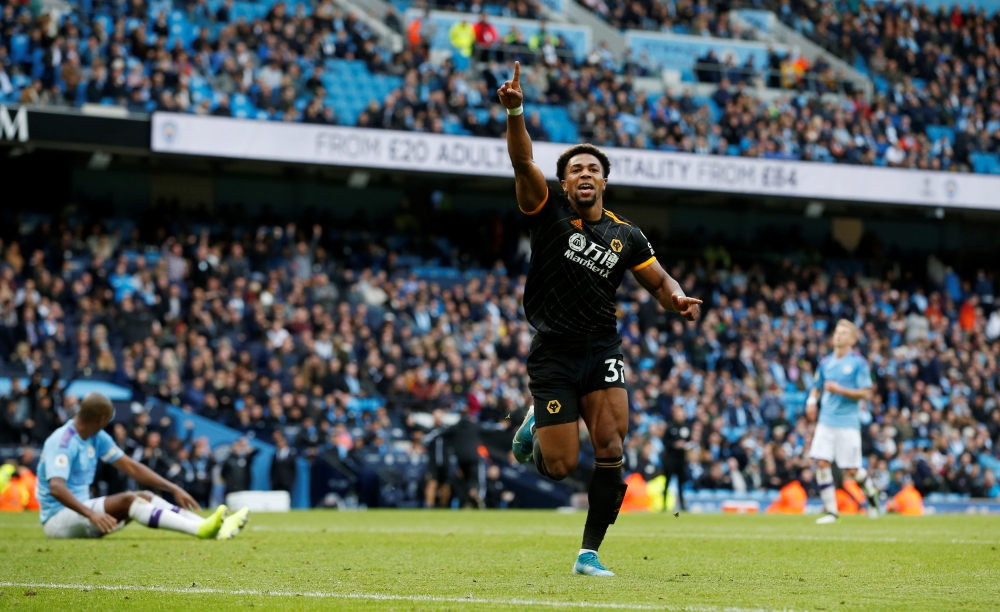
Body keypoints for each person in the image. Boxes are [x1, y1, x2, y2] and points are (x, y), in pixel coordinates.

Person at [498, 61, 702, 577]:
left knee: (612, 446)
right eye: (575, 170)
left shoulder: (627, 235)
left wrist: (677, 299)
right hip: (553, 351)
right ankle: (536, 424)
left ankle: (589, 553)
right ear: (564, 184)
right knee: (561, 464)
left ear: (604, 180)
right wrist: (517, 112)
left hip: (601, 350)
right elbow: (523, 163)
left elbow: (659, 281)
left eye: (592, 169)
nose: (584, 175)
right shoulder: (546, 210)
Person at [37, 392, 250, 540]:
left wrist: (172, 487)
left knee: (146, 496)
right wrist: (90, 513)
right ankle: (199, 530)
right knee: (131, 499)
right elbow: (56, 487)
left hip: (83, 512)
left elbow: (131, 467)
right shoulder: (62, 441)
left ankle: (215, 527)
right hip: (58, 520)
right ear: (101, 418)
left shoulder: (96, 436)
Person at [805, 320, 881, 524]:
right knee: (821, 461)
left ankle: (872, 493)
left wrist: (841, 390)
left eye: (843, 333)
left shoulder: (858, 363)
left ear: (853, 339)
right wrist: (812, 401)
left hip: (847, 423)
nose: (838, 336)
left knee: (851, 470)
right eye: (836, 332)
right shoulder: (825, 362)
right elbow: (817, 386)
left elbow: (866, 392)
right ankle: (831, 511)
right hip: (826, 420)